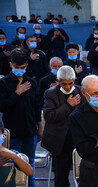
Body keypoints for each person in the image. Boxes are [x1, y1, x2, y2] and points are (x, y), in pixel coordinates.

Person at [0, 48, 43, 187]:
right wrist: (17, 93)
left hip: (30, 131)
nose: (20, 69)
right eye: (17, 67)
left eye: (23, 67)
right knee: (13, 165)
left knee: (29, 164)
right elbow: (2, 107)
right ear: (11, 64)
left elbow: (37, 106)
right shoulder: (4, 83)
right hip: (13, 133)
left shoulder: (32, 82)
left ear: (27, 66)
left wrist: (40, 127)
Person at [42, 66, 82, 187]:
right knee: (61, 178)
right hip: (59, 141)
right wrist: (68, 105)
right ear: (58, 81)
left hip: (78, 139)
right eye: (64, 84)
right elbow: (49, 117)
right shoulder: (50, 93)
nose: (68, 87)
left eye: (70, 83)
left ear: (74, 80)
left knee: (83, 174)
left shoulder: (80, 91)